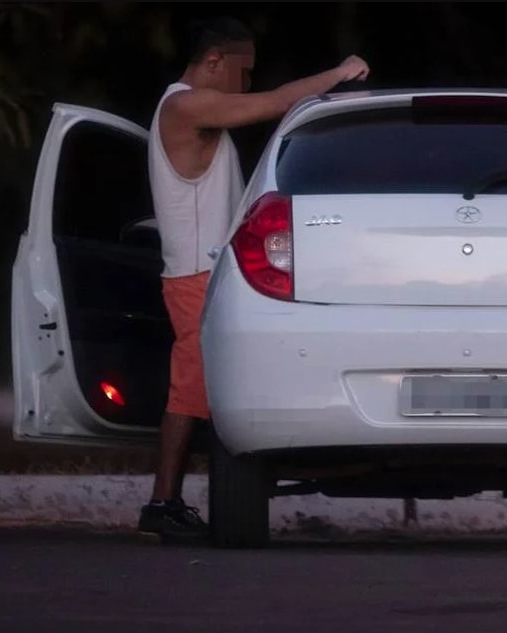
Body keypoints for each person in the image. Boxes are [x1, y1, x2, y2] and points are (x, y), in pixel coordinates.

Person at [137, 16, 370, 540]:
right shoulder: (184, 106)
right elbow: (273, 101)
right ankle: (162, 502)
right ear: (214, 61)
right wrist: (339, 72)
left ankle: (173, 500)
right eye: (242, 73)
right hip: (195, 275)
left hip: (210, 273)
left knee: (207, 391)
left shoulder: (192, 112)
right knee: (189, 392)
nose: (245, 85)